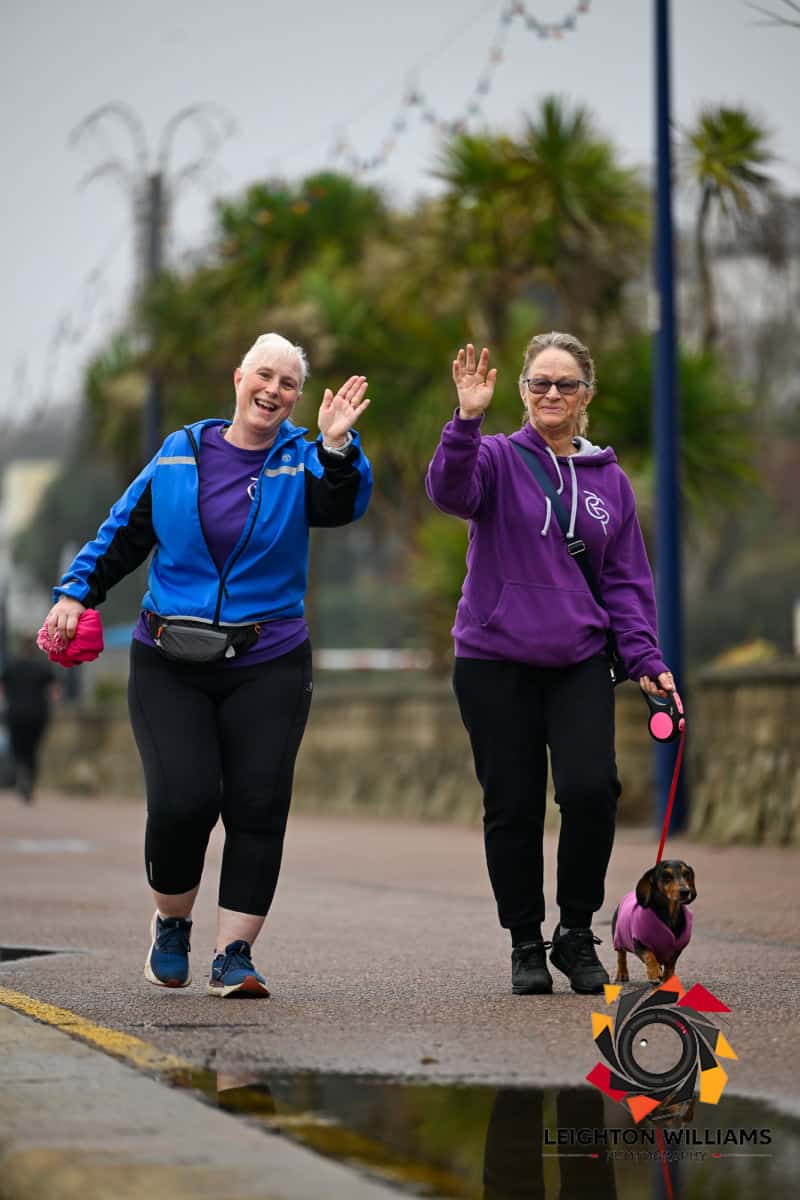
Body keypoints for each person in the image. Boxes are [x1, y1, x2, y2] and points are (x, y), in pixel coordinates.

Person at [43, 332, 373, 997]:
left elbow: (342, 504)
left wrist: (337, 445)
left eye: (288, 383)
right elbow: (123, 532)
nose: (273, 390)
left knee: (258, 804)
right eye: (264, 375)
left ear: (298, 399)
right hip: (170, 658)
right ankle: (172, 924)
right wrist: (76, 592)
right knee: (183, 801)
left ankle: (234, 956)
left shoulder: (303, 460)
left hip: (270, 658)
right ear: (238, 377)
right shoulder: (179, 453)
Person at [426, 334, 674, 997]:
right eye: (539, 383)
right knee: (513, 808)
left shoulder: (610, 482)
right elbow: (449, 491)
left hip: (578, 662)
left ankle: (573, 932)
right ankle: (524, 942)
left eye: (565, 384)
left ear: (585, 395)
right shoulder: (496, 459)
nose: (552, 395)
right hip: (493, 661)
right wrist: (466, 420)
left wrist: (647, 659)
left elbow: (626, 584)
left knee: (593, 792)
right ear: (523, 392)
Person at [0, 637, 60, 803]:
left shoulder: (11, 667)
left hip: (15, 714)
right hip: (37, 714)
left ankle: (22, 772)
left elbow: (2, 690)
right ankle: (29, 779)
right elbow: (55, 692)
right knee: (33, 749)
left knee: (17, 747)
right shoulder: (43, 667)